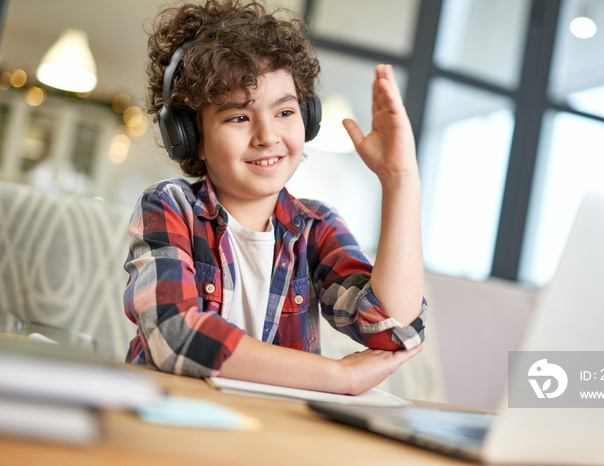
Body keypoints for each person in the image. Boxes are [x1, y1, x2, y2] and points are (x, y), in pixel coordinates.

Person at [123, 0, 427, 395]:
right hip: (170, 418)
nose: (267, 136)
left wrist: (399, 180)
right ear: (189, 137)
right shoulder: (169, 207)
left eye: (284, 112)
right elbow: (173, 334)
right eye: (237, 117)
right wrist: (336, 377)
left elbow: (391, 326)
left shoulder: (317, 228)